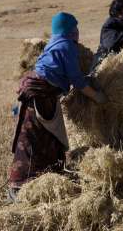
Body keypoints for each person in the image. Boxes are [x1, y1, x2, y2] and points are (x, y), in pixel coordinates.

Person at [8, 12, 106, 201]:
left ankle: (46, 178)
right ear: (68, 30)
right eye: (75, 28)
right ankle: (21, 188)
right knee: (34, 139)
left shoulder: (54, 44)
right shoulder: (66, 46)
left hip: (39, 93)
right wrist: (97, 96)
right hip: (40, 94)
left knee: (45, 137)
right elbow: (76, 80)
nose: (78, 32)